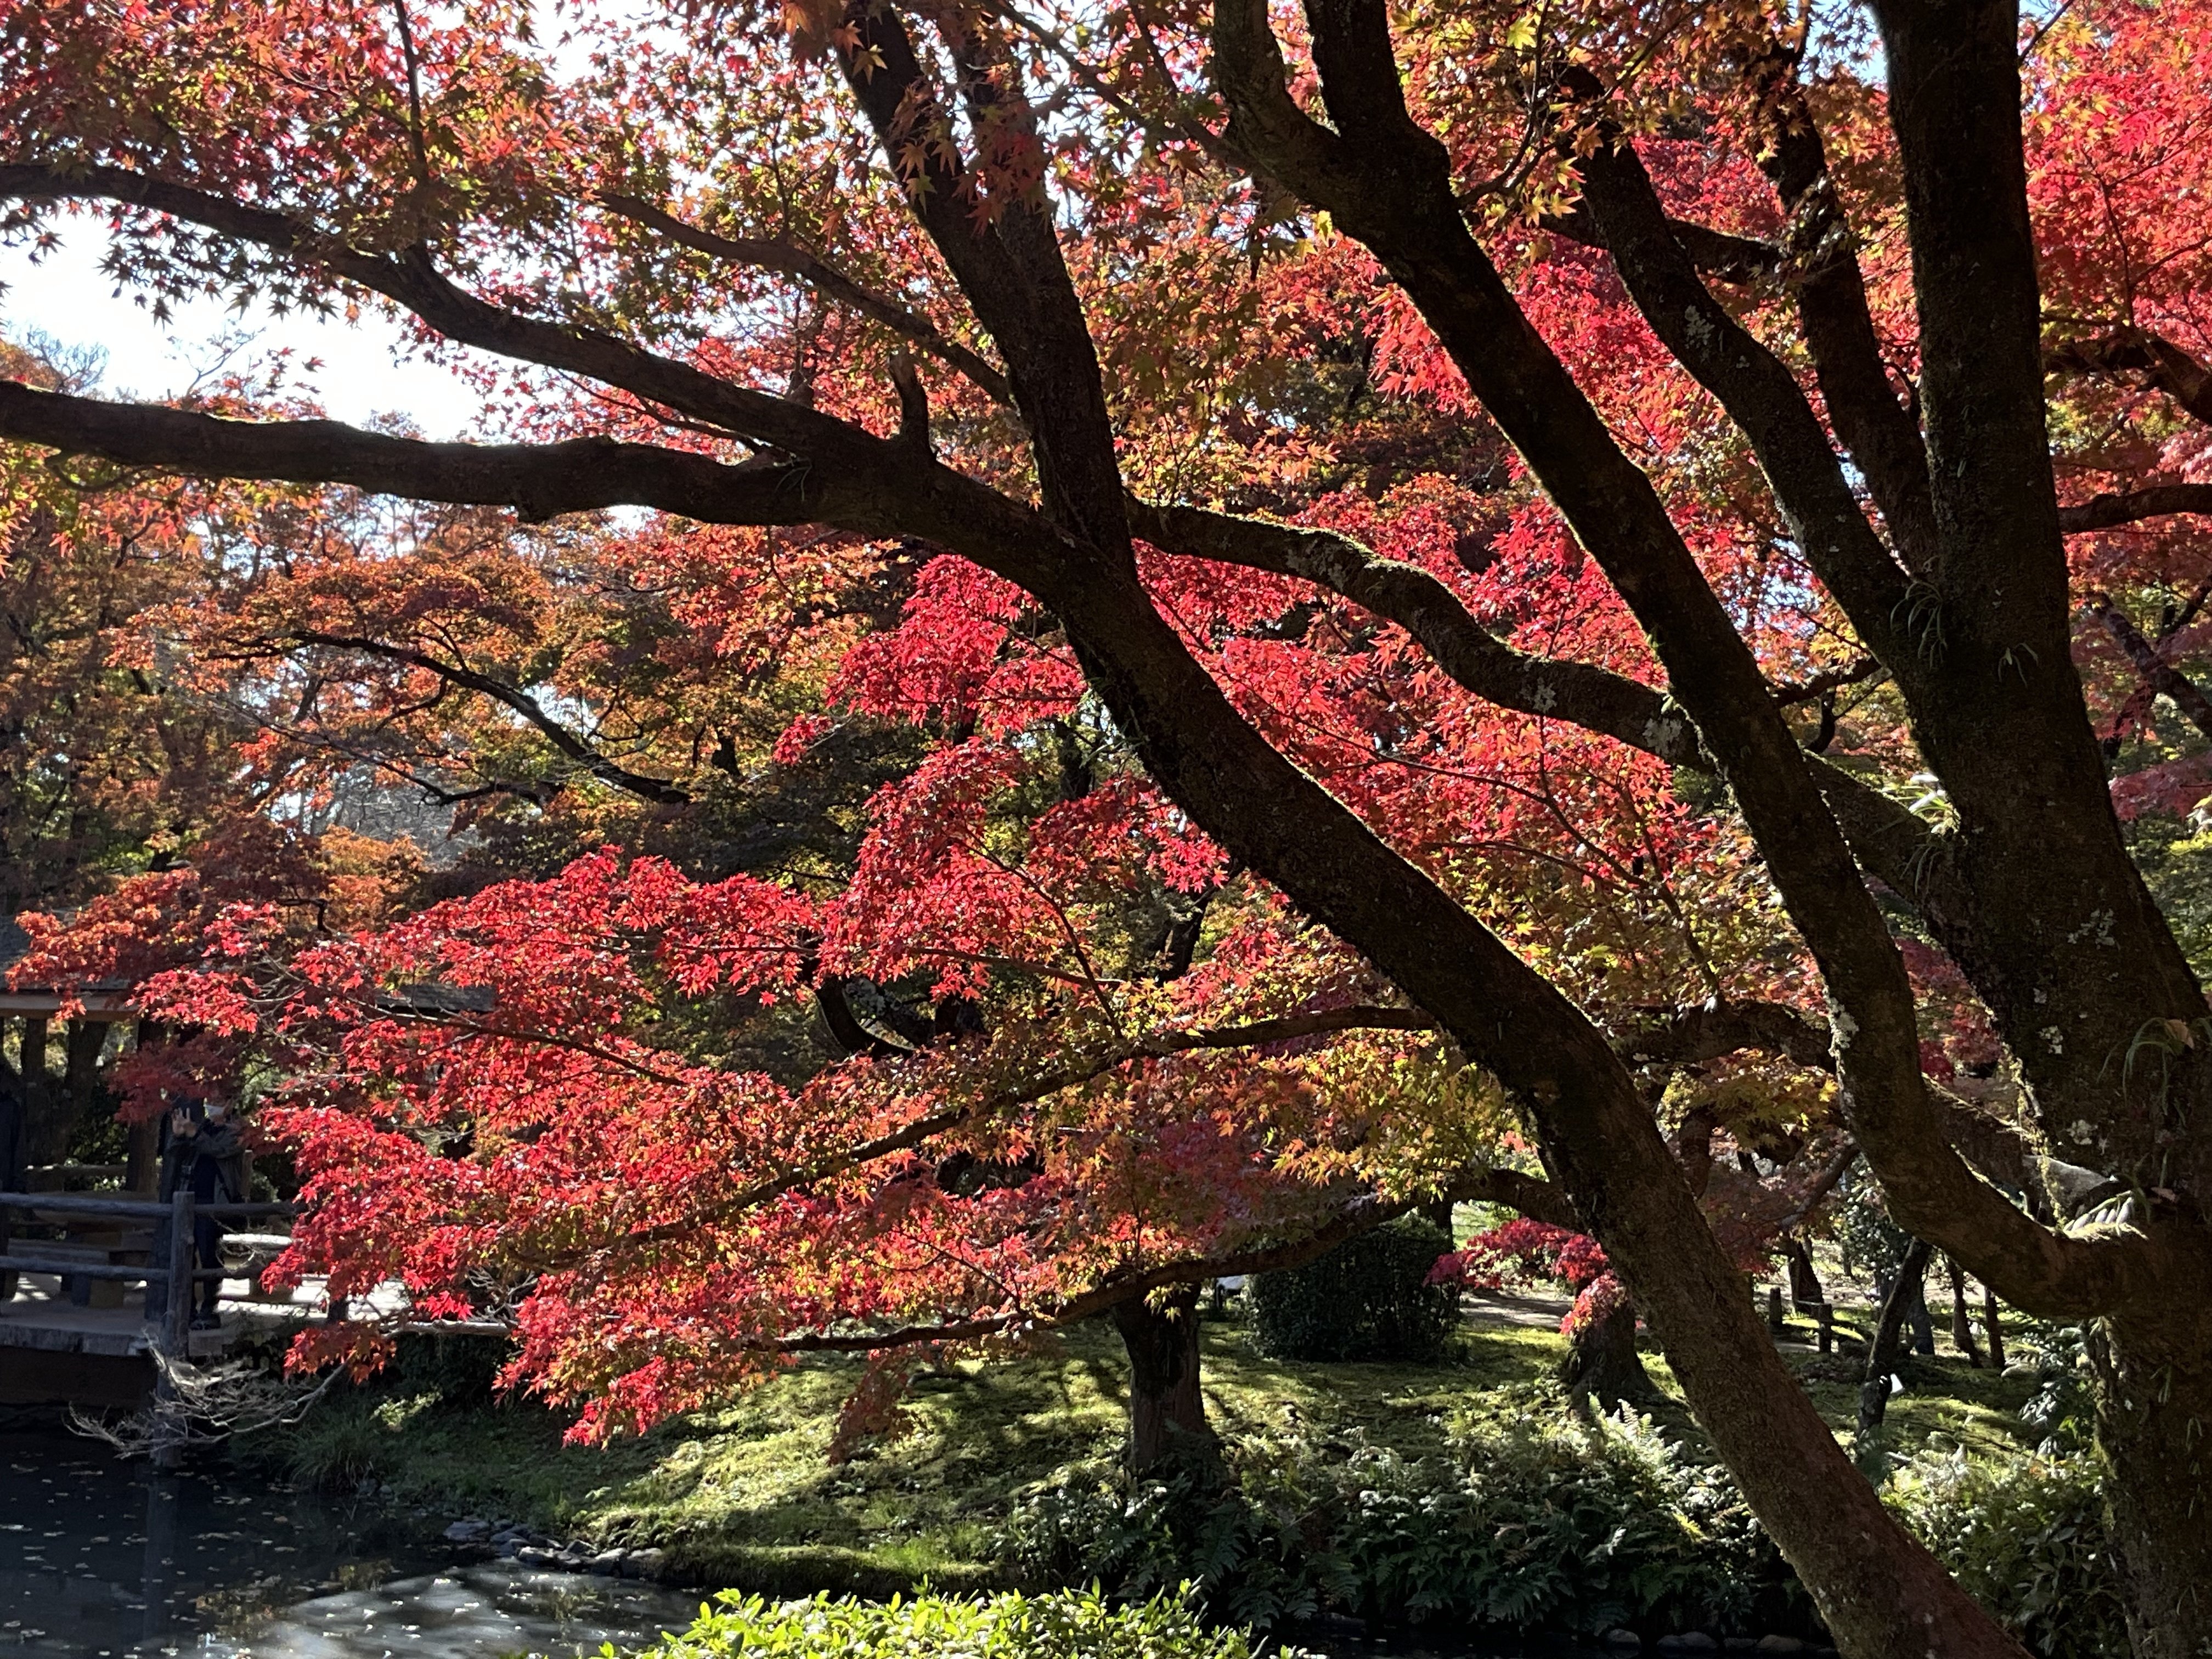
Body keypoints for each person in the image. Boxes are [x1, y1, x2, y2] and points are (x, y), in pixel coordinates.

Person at [159, 1097, 246, 1329]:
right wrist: (178, 1136)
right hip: (188, 1201)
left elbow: (218, 1150)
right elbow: (173, 1155)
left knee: (210, 1258)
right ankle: (186, 1312)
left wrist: (193, 1134)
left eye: (219, 1100)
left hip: (214, 1204)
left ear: (229, 1104)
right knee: (184, 1257)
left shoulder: (237, 1131)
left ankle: (210, 1310)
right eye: (211, 1099)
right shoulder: (200, 1128)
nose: (212, 1104)